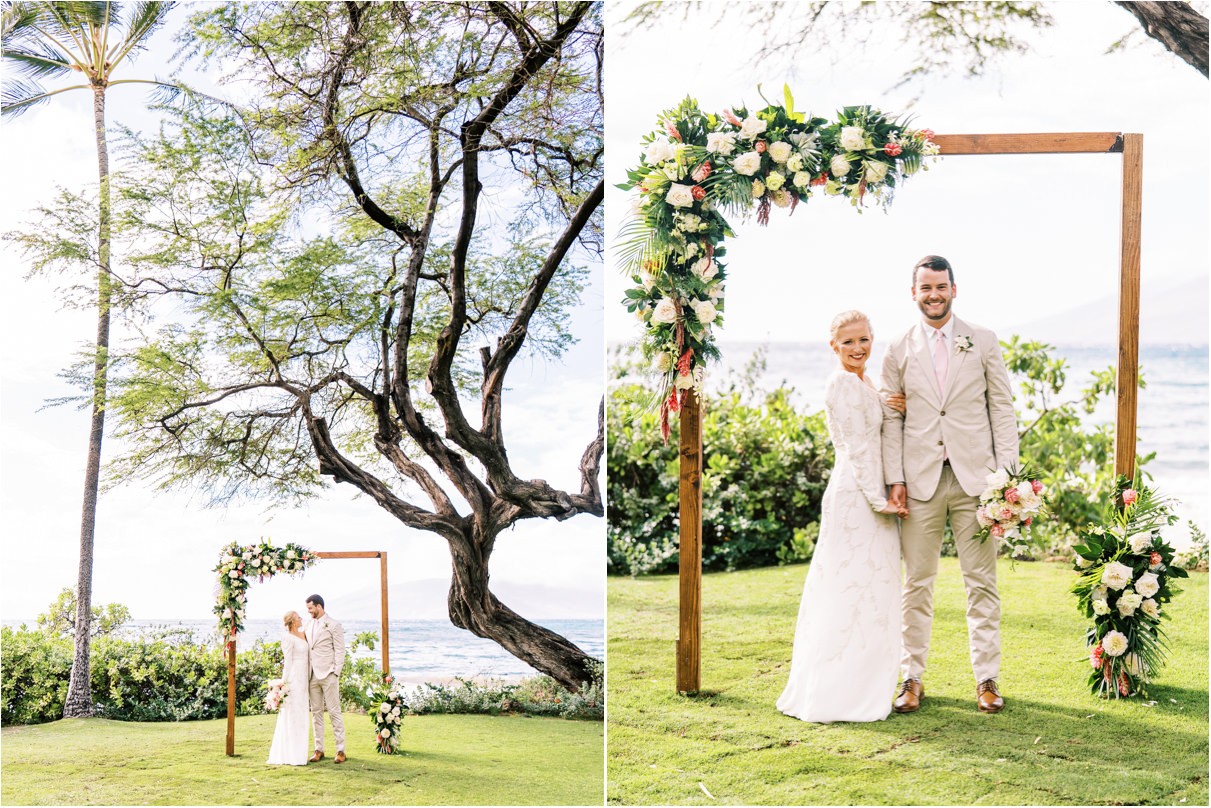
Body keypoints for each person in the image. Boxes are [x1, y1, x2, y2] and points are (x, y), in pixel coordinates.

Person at [881, 255, 1019, 715]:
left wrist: (1007, 479)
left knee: (981, 583)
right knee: (916, 584)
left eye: (940, 287)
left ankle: (987, 680)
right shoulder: (898, 346)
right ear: (914, 293)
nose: (933, 295)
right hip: (919, 481)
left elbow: (1001, 407)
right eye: (925, 288)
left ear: (954, 289)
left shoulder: (981, 340)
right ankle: (911, 679)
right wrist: (894, 479)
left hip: (976, 483)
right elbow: (890, 418)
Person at [777, 310, 908, 723]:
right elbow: (856, 447)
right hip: (857, 495)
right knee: (847, 587)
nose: (858, 348)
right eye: (849, 342)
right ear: (834, 346)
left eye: (864, 340)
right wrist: (879, 499)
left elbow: (880, 429)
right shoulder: (841, 382)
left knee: (875, 589)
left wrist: (894, 405)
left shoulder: (866, 382)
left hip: (875, 493)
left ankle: (869, 682)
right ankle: (837, 691)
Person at [305, 594, 347, 763]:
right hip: (312, 675)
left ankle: (341, 750)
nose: (308, 612)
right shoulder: (307, 625)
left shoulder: (334, 625)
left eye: (310, 608)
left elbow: (340, 650)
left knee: (334, 712)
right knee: (316, 713)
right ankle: (319, 749)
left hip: (328, 674)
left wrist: (335, 671)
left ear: (319, 607)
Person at [266, 611, 311, 765]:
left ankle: (300, 752)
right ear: (292, 621)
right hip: (294, 679)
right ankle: (292, 754)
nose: (301, 619)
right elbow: (288, 662)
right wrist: (282, 685)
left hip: (304, 678)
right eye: (298, 617)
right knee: (293, 713)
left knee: (302, 712)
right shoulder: (287, 638)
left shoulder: (303, 634)